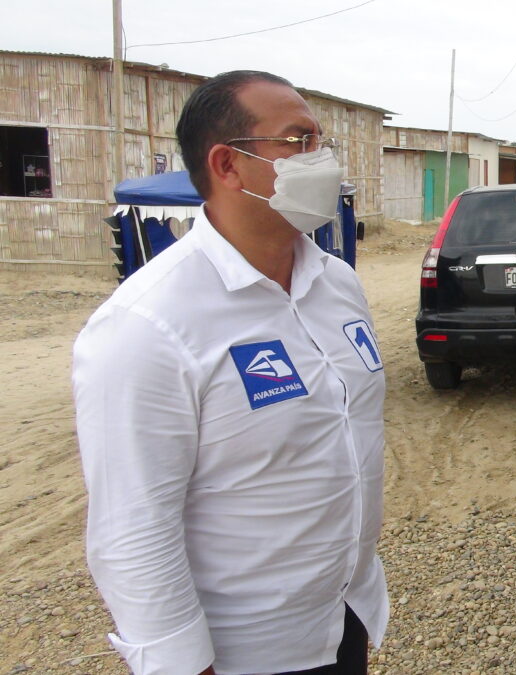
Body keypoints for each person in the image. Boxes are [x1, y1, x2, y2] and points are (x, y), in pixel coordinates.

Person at [72, 70, 389, 675]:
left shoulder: (337, 285)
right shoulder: (148, 325)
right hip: (244, 651)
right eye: (297, 141)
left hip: (344, 615)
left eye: (320, 143)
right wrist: (181, 664)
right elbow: (132, 527)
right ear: (226, 164)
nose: (318, 160)